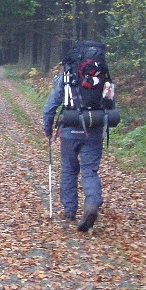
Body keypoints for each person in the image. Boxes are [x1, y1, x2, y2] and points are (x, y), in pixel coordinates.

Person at [42, 73, 105, 232]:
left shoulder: (66, 76)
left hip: (69, 130)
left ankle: (70, 211)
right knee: (90, 170)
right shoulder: (103, 76)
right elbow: (110, 105)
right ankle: (91, 202)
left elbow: (50, 107)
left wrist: (48, 129)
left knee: (69, 169)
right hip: (94, 129)